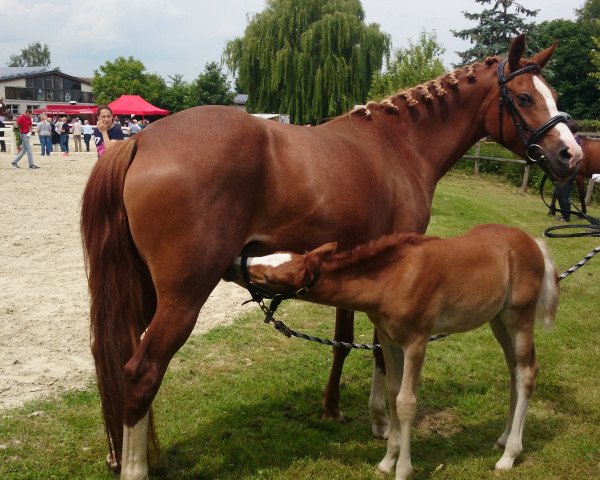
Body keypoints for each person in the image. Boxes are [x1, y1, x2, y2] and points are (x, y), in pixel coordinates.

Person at [548, 117, 581, 222]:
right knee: (559, 192)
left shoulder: (574, 142)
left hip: (569, 170)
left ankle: (566, 216)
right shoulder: (577, 140)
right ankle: (565, 214)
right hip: (569, 170)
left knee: (563, 193)